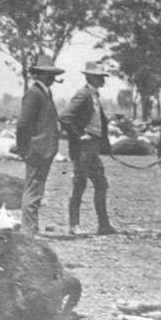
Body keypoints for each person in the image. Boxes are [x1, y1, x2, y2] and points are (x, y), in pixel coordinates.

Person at [59, 61, 115, 236]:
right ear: (90, 77)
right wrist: (79, 135)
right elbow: (65, 117)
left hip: (93, 148)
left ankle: (103, 225)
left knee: (101, 184)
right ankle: (73, 225)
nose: (103, 80)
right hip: (83, 148)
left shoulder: (94, 96)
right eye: (99, 77)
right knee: (80, 185)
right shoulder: (83, 95)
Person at [14, 54, 64, 235]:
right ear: (38, 75)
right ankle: (28, 229)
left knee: (37, 188)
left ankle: (30, 227)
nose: (51, 78)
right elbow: (23, 124)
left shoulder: (44, 93)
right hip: (37, 149)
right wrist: (23, 148)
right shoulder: (34, 94)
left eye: (52, 74)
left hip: (44, 149)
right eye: (47, 74)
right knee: (33, 189)